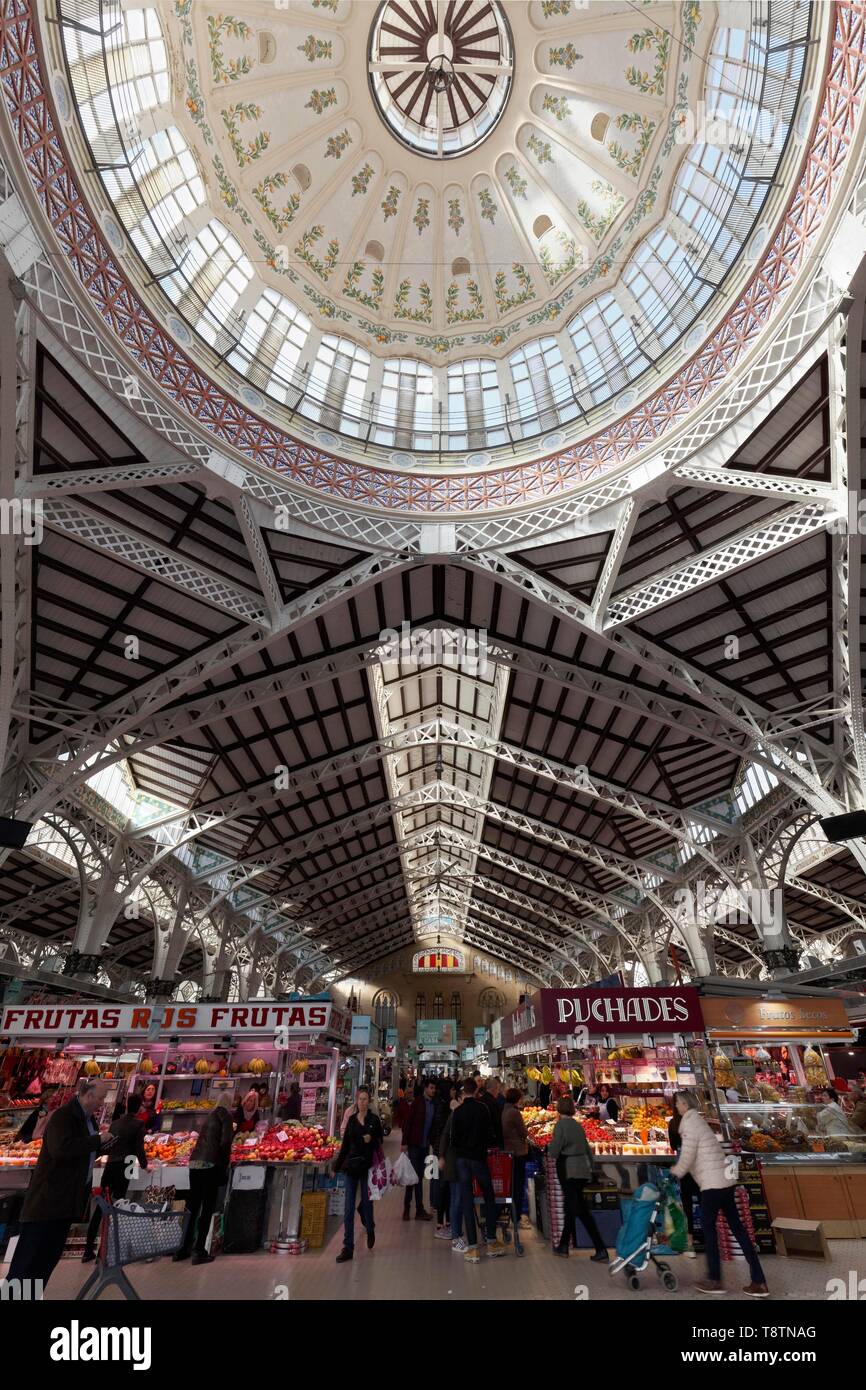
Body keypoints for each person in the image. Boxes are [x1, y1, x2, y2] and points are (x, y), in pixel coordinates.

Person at [7, 1081, 116, 1290]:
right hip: (47, 1201)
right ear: (87, 1095)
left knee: (46, 1260)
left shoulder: (88, 1120)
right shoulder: (63, 1117)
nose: (102, 1103)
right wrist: (97, 1141)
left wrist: (104, 1146)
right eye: (101, 1098)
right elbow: (61, 1149)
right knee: (29, 1261)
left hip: (65, 1202)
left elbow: (81, 1152)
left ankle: (30, 1296)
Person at [670, 1090, 768, 1296]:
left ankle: (714, 1280)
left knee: (709, 1230)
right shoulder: (699, 1121)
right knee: (738, 1229)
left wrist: (676, 1171)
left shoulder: (688, 1123)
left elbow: (688, 1155)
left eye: (678, 1102)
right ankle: (759, 1280)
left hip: (712, 1184)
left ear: (685, 1104)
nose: (676, 1106)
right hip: (725, 1181)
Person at [82, 1092, 148, 1262]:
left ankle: (88, 1250)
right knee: (120, 1204)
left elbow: (108, 1145)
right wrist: (145, 1165)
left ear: (126, 1106)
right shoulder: (139, 1124)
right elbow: (139, 1148)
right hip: (128, 1163)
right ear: (139, 1107)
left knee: (102, 1205)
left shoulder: (115, 1123)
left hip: (111, 1164)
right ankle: (107, 1249)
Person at [174, 1093, 234, 1265]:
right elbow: (225, 1142)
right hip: (210, 1165)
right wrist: (224, 1164)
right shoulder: (226, 1116)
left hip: (195, 1163)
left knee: (192, 1207)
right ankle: (199, 1250)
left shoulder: (210, 1116)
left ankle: (182, 1249)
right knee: (207, 1208)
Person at [450, 1078, 506, 1262]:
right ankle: (491, 1240)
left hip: (462, 1160)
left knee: (467, 1200)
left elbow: (453, 1139)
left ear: (463, 1092)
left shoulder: (458, 1112)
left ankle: (472, 1248)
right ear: (475, 1091)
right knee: (489, 1196)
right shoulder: (483, 1109)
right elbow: (490, 1134)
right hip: (479, 1159)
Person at [548, 1097, 608, 1261]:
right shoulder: (577, 1125)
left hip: (568, 1169)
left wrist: (550, 1148)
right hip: (582, 1169)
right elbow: (587, 1148)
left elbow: (554, 1151)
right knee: (572, 1206)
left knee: (579, 1209)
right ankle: (563, 1246)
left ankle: (600, 1248)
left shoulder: (561, 1125)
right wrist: (592, 1168)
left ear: (559, 1109)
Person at [333, 1086, 383, 1264]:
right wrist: (336, 1167)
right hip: (351, 1167)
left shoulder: (374, 1120)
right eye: (360, 1099)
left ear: (369, 1101)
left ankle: (370, 1228)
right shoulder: (352, 1121)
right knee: (348, 1208)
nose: (362, 1102)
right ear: (356, 1100)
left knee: (367, 1204)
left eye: (365, 1099)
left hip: (367, 1167)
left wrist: (372, 1139)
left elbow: (380, 1140)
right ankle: (348, 1247)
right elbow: (345, 1145)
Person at [400, 1076, 437, 1221]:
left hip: (424, 1146)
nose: (433, 1091)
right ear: (425, 1088)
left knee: (419, 1177)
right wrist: (404, 1142)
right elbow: (408, 1122)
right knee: (413, 1178)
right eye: (431, 1088)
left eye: (434, 1088)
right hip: (414, 1145)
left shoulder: (433, 1104)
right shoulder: (418, 1102)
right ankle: (408, 1208)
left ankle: (418, 1210)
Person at [668, 1105, 699, 1258]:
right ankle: (711, 1240)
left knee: (686, 1205)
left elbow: (673, 1146)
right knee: (704, 1203)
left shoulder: (673, 1123)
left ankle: (690, 1244)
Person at [502, 1087, 528, 1256]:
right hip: (517, 1152)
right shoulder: (514, 1112)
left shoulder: (504, 1110)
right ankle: (517, 1216)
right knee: (517, 1185)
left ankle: (511, 1213)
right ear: (517, 1099)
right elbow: (523, 1132)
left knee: (511, 1184)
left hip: (508, 1152)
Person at [438, 1098, 464, 1251]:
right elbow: (445, 1135)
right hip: (455, 1163)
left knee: (456, 1199)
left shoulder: (456, 1114)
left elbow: (444, 1135)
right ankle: (456, 1236)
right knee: (456, 1200)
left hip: (454, 1162)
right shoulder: (455, 1115)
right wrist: (441, 1156)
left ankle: (457, 1233)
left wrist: (442, 1156)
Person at [478, 1075, 504, 1147]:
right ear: (494, 1088)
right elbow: (497, 1123)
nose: (498, 1092)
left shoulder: (480, 1100)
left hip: (480, 1138)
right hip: (491, 1139)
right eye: (498, 1089)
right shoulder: (493, 1103)